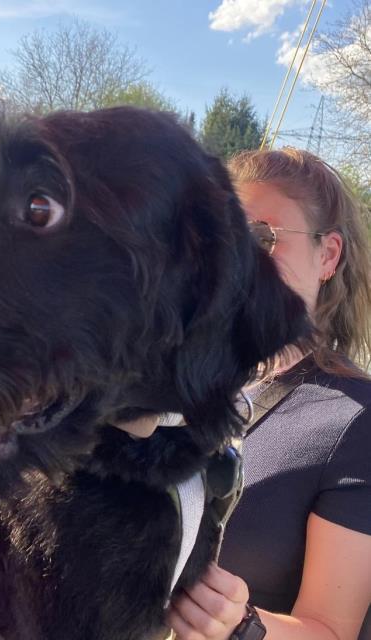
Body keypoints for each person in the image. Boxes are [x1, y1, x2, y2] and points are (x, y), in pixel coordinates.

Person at [120, 148, 371, 640]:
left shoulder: (354, 419)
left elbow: (331, 630)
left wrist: (241, 625)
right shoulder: (178, 386)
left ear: (327, 255)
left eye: (261, 237)